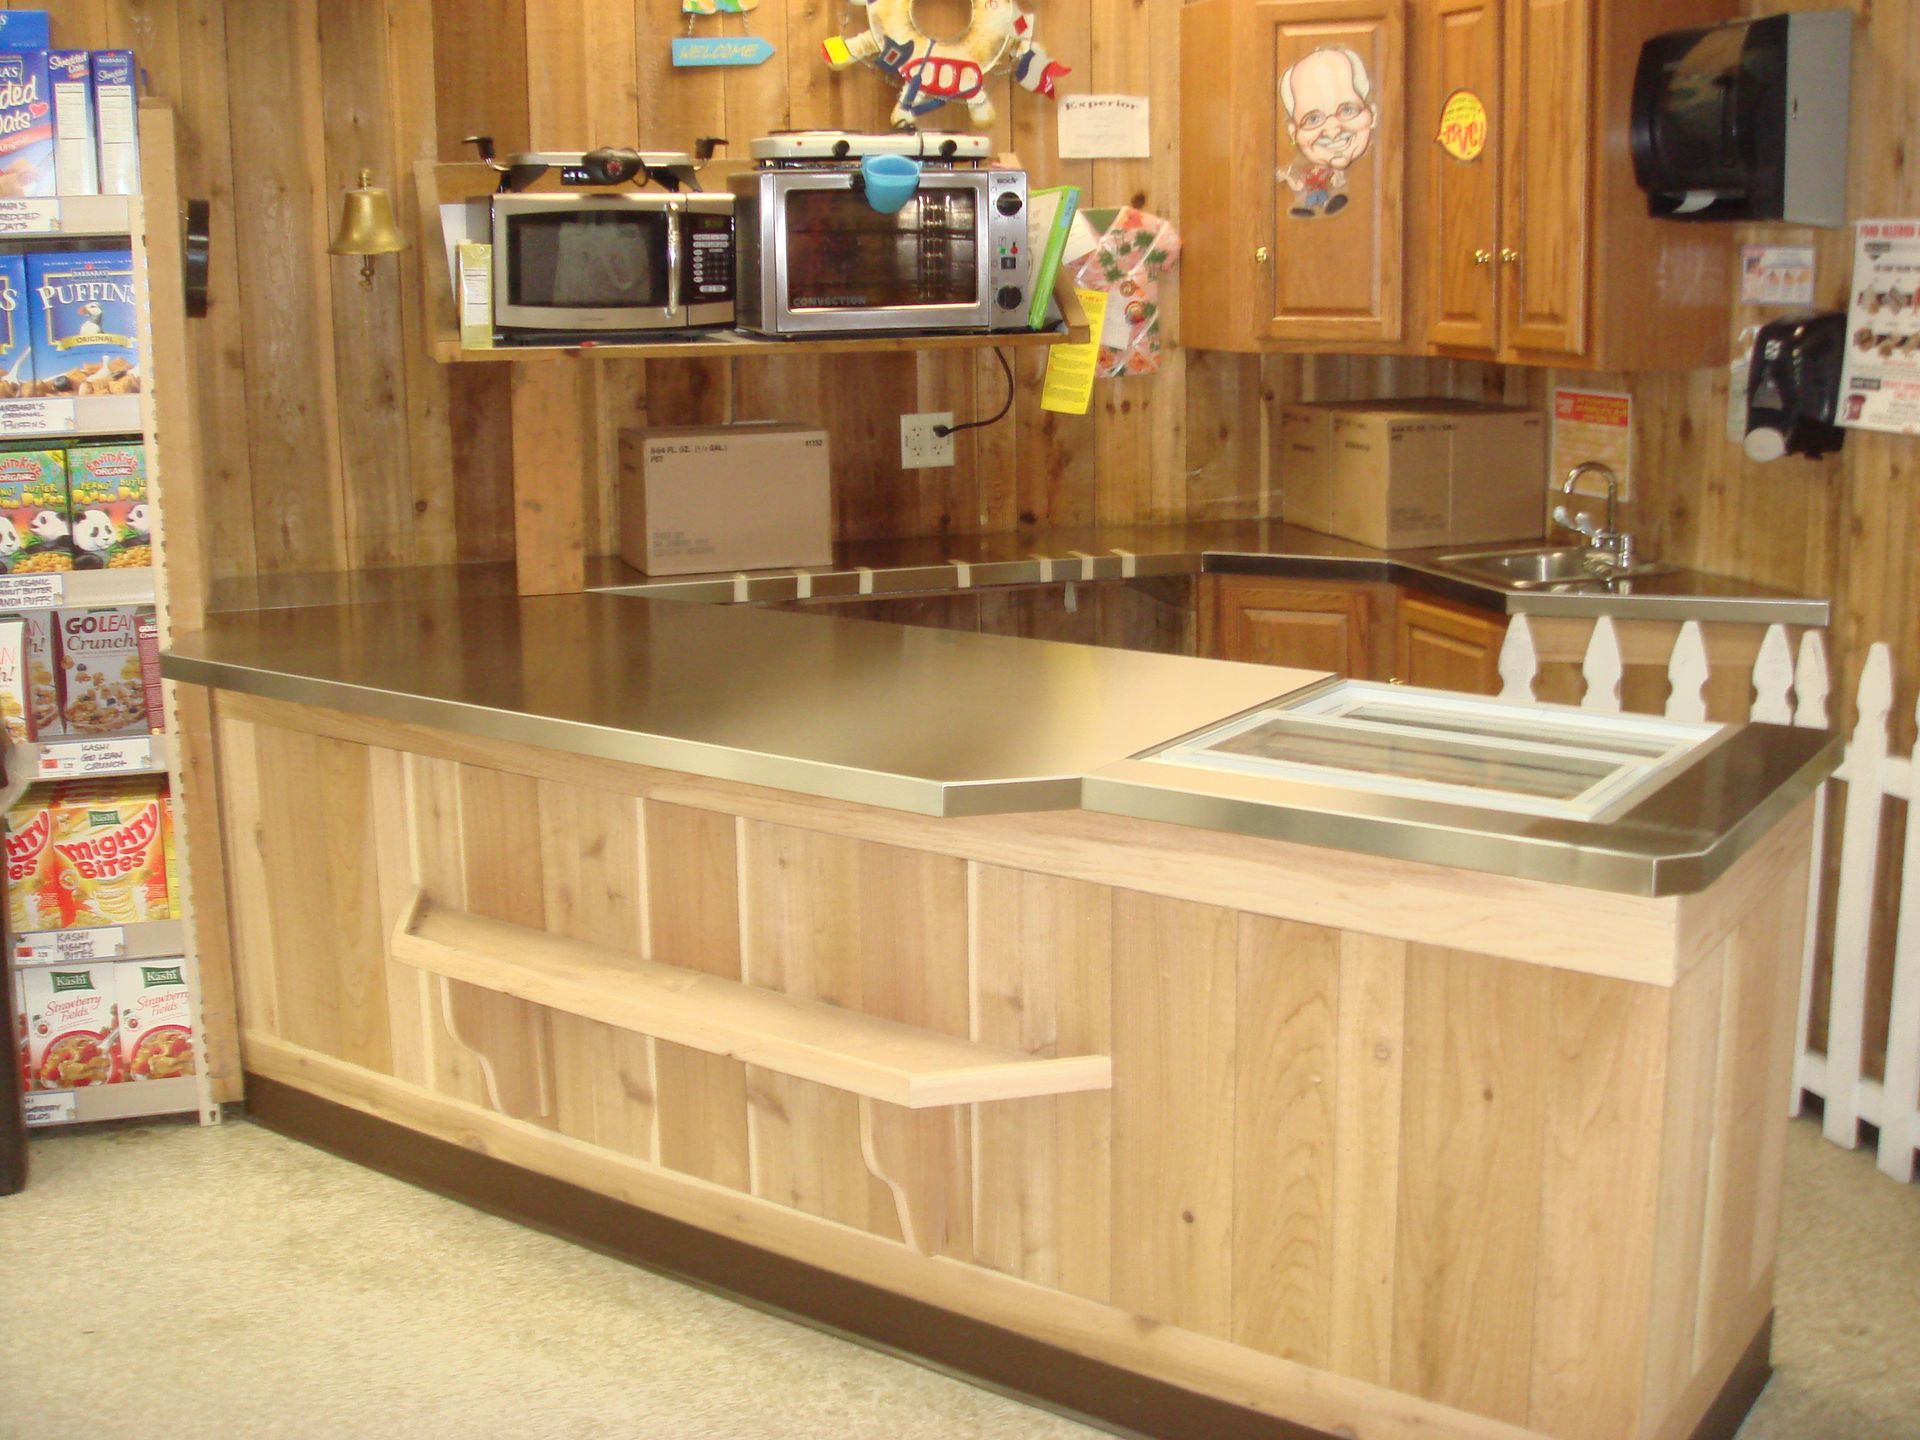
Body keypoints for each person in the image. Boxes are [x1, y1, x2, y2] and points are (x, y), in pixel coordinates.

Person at [1277, 47, 1377, 218]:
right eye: (1313, 119)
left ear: (1372, 115)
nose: (1332, 131)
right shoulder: (1308, 172)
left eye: (1347, 110)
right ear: (1293, 132)